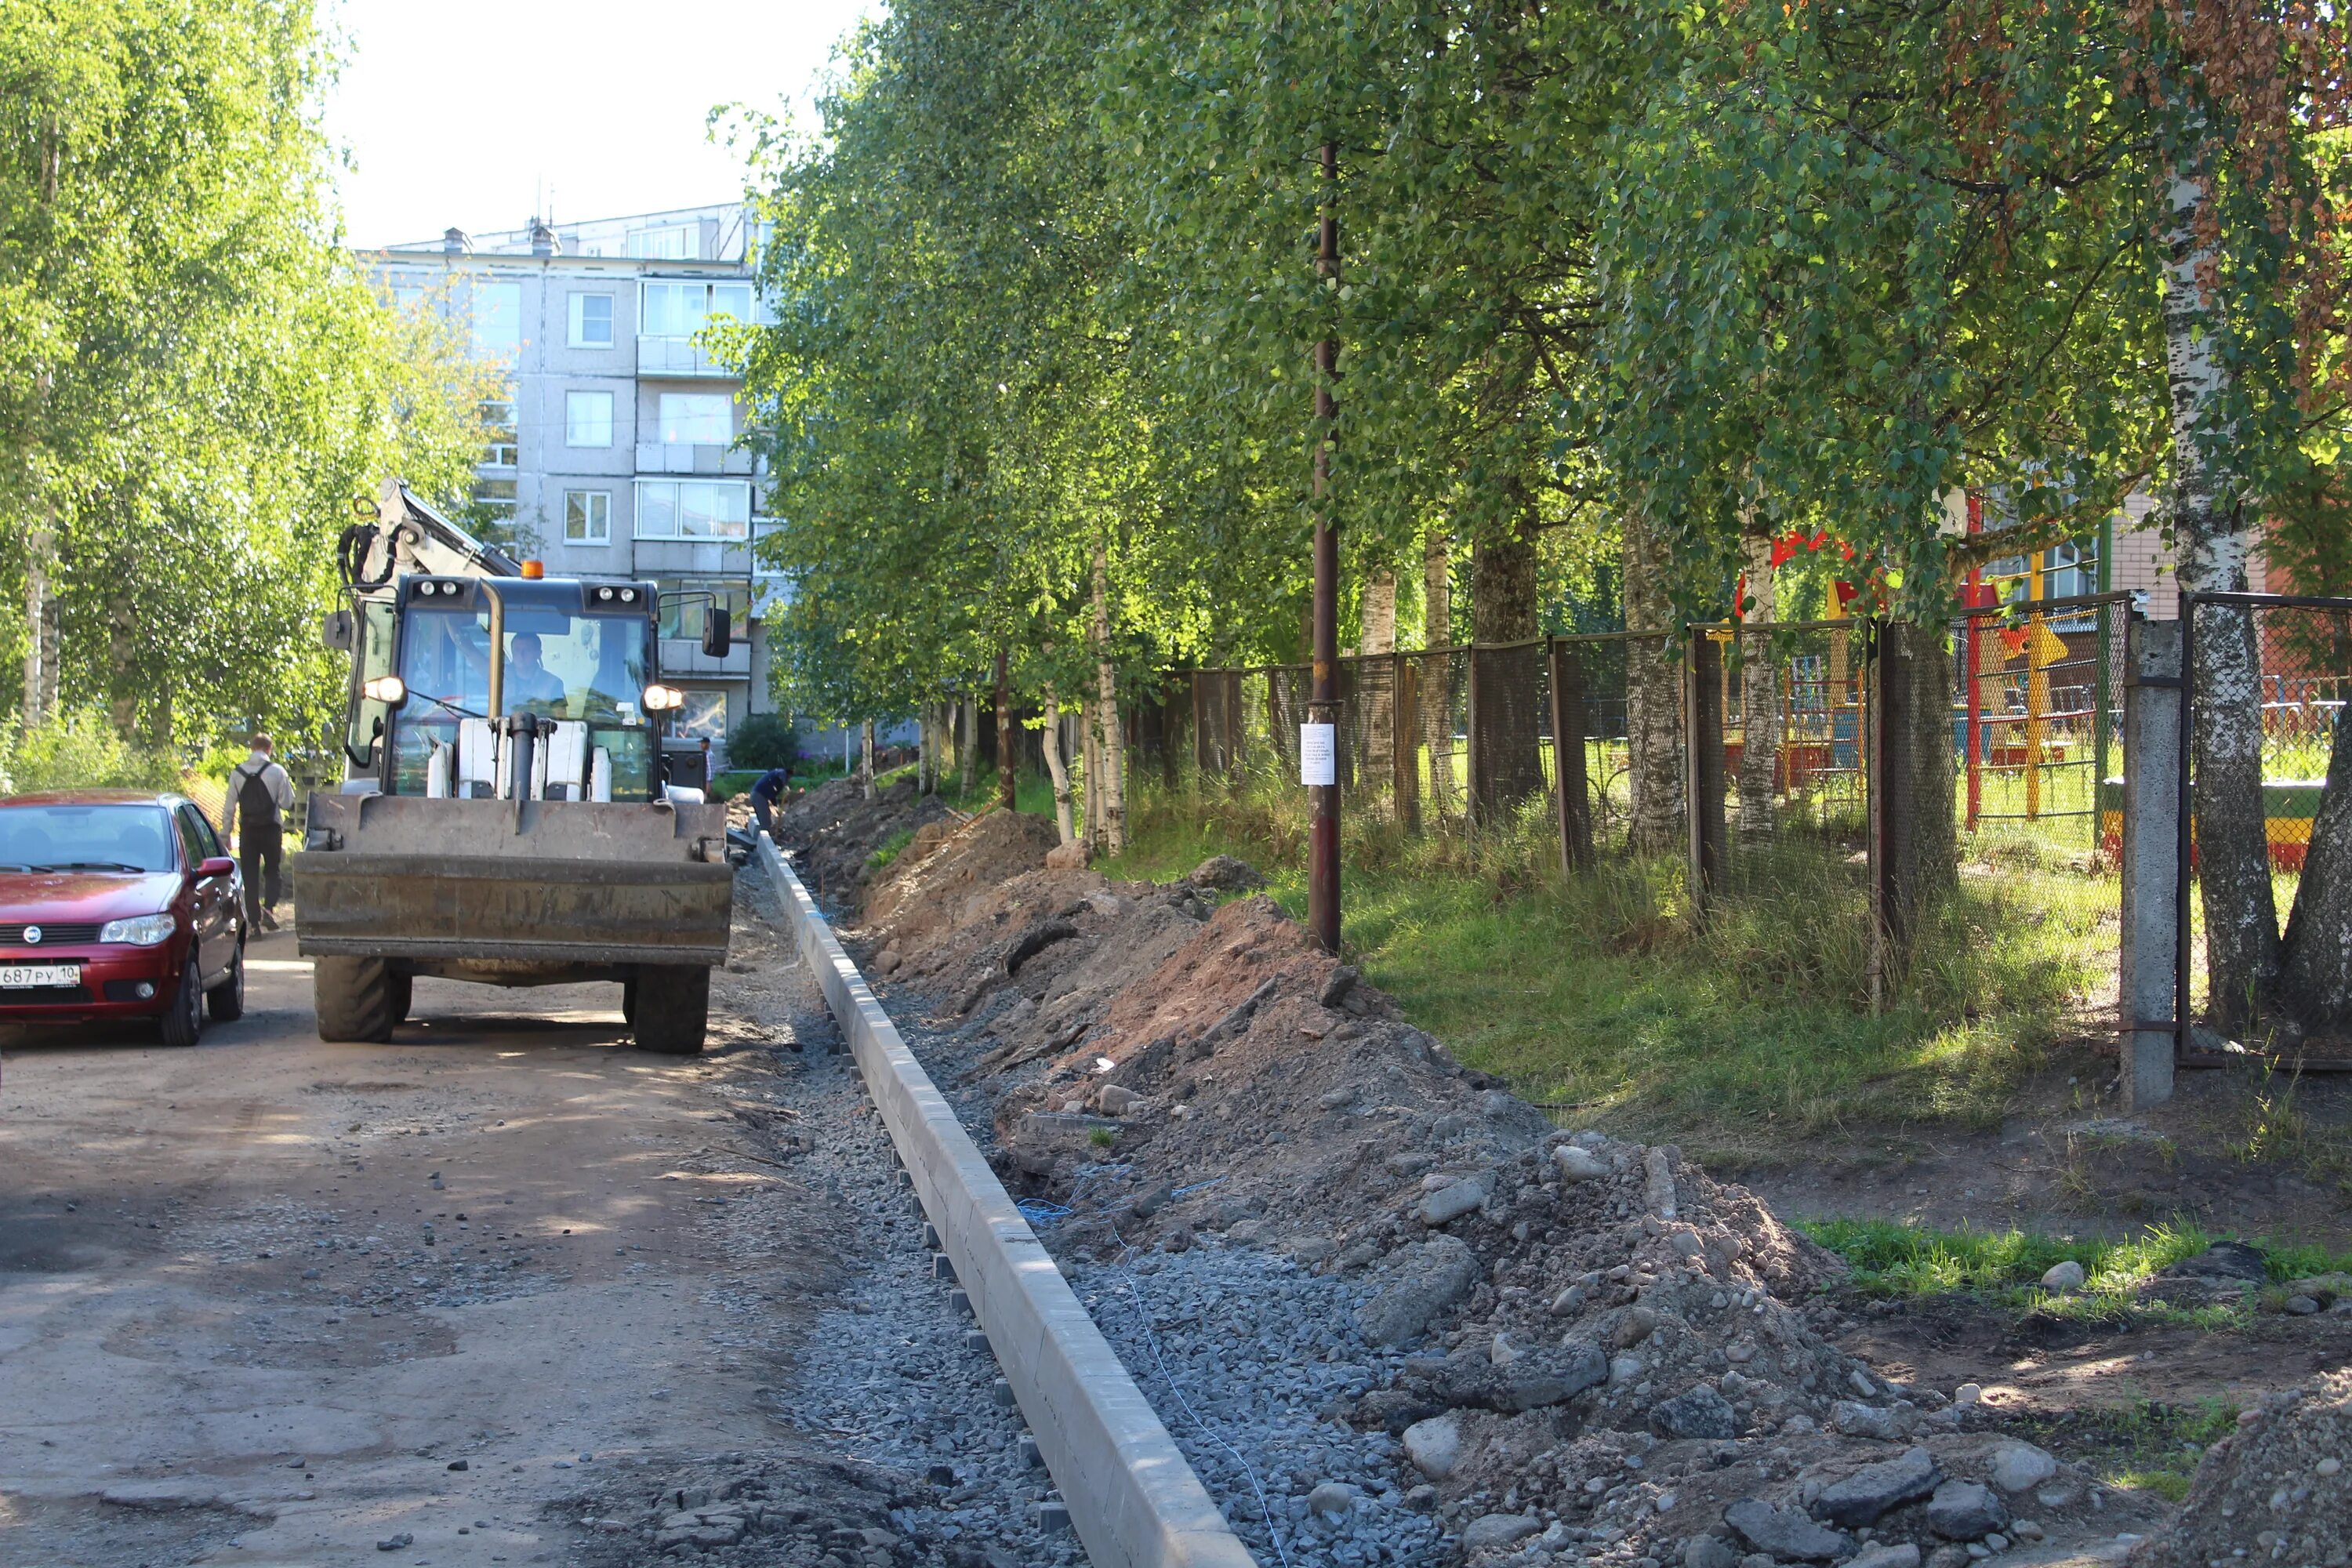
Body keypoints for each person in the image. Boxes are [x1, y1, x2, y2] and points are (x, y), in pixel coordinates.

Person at [228, 735, 293, 931]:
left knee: (250, 874)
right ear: (269, 749)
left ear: (252, 748)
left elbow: (229, 807)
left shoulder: (237, 773)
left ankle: (254, 923)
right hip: (271, 829)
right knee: (273, 870)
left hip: (248, 830)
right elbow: (287, 803)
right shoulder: (277, 771)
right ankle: (269, 909)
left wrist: (225, 834)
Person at [505, 632, 564, 709]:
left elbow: (560, 718)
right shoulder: (498, 680)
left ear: (538, 654)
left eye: (527, 650)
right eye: (517, 650)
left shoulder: (553, 684)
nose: (521, 655)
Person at [748, 766, 790, 839]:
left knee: (764, 819)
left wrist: (777, 803)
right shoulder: (780, 775)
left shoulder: (773, 776)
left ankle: (758, 839)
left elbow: (773, 794)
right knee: (765, 821)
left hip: (756, 795)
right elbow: (772, 794)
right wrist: (777, 804)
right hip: (759, 796)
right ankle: (763, 840)